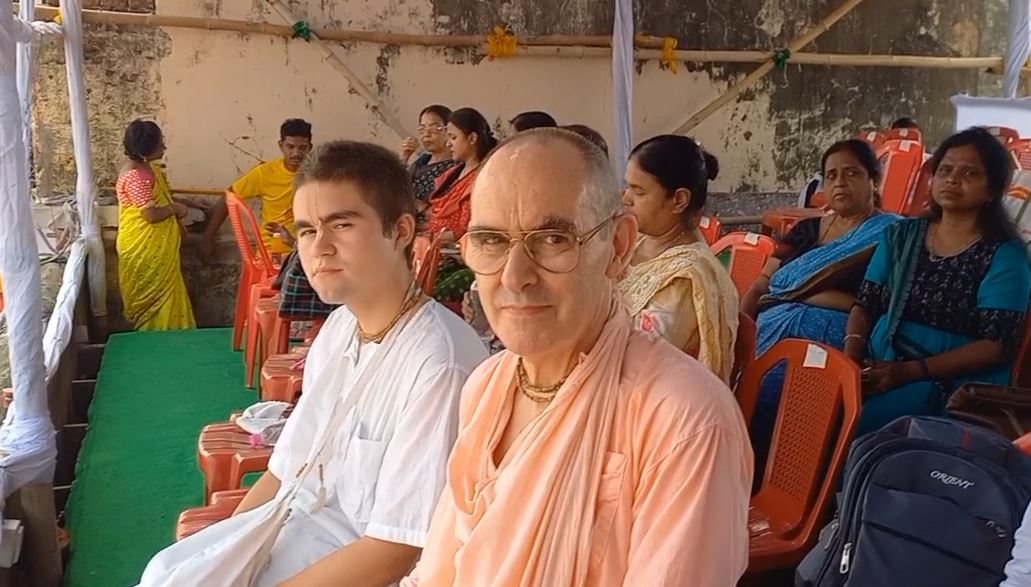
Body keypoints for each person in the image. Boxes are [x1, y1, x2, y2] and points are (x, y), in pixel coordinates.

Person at [403, 129, 752, 586]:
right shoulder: (486, 385)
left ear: (618, 248)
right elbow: (439, 571)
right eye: (490, 240)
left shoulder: (684, 420)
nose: (515, 276)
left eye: (552, 239)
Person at [136, 141, 488, 587]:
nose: (319, 248)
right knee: (168, 573)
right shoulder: (341, 328)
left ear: (400, 232)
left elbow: (396, 551)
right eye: (305, 230)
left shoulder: (439, 362)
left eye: (341, 224)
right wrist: (226, 549)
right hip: (299, 533)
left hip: (372, 570)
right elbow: (286, 469)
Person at [845, 127, 1031, 435]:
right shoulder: (901, 236)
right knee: (815, 400)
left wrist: (909, 372)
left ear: (992, 189)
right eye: (945, 170)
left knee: (852, 423)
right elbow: (865, 303)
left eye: (969, 173)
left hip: (951, 383)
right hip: (880, 363)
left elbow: (997, 346)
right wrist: (852, 363)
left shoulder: (1006, 257)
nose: (953, 180)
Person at [743, 139, 901, 460]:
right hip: (768, 332)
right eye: (831, 176)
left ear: (874, 180)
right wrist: (739, 329)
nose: (840, 182)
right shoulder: (806, 230)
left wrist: (809, 296)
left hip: (838, 342)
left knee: (791, 420)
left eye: (852, 173)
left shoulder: (892, 234)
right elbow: (763, 284)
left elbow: (884, 305)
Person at [619, 135, 739, 383]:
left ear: (678, 200)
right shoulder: (639, 241)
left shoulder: (687, 277)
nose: (626, 198)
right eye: (628, 186)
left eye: (639, 191)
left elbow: (639, 361)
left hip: (651, 401)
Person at [115, 120, 197, 331]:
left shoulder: (148, 169)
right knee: (155, 303)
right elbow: (150, 214)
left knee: (170, 295)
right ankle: (152, 341)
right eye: (160, 145)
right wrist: (175, 209)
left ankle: (176, 338)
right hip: (144, 249)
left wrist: (193, 203)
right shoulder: (135, 177)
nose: (164, 148)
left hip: (159, 251)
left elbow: (162, 196)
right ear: (144, 152)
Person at [199, 118, 313, 263]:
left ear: (310, 147)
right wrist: (207, 238)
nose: (296, 153)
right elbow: (230, 197)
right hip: (273, 253)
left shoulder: (318, 175)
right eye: (290, 147)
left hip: (306, 252)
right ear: (281, 146)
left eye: (302, 148)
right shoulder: (265, 173)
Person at [425, 107, 497, 305]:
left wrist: (447, 240)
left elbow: (471, 227)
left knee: (431, 294)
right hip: (434, 252)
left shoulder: (487, 177)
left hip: (462, 259)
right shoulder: (453, 173)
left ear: (472, 138)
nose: (448, 143)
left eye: (453, 137)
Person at [401, 104, 456, 202]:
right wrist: (404, 158)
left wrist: (417, 205)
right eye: (422, 129)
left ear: (448, 130)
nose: (426, 134)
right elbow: (395, 190)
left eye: (433, 128)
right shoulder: (422, 162)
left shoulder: (456, 168)